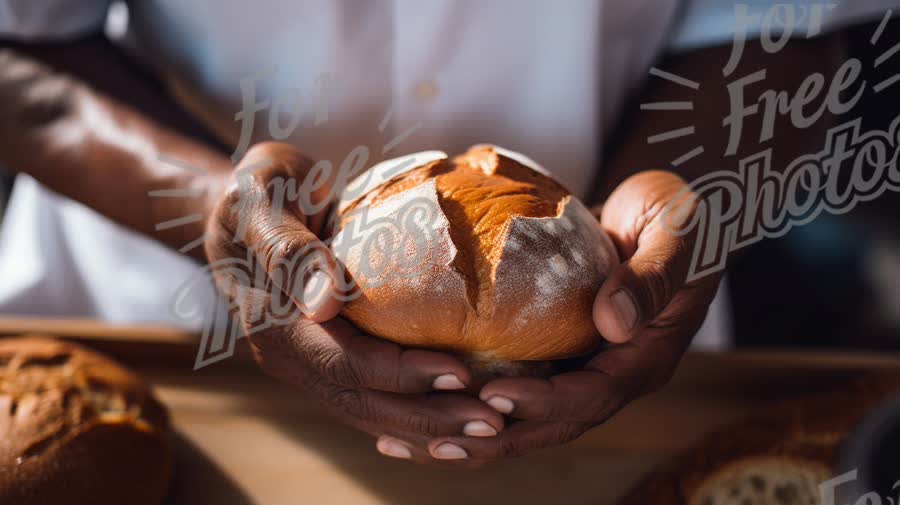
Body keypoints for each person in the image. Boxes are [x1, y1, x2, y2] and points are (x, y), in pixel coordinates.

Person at [0, 0, 893, 464]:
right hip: (149, 342)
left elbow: (790, 28)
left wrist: (670, 198)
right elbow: (23, 46)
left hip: (621, 358)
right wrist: (214, 208)